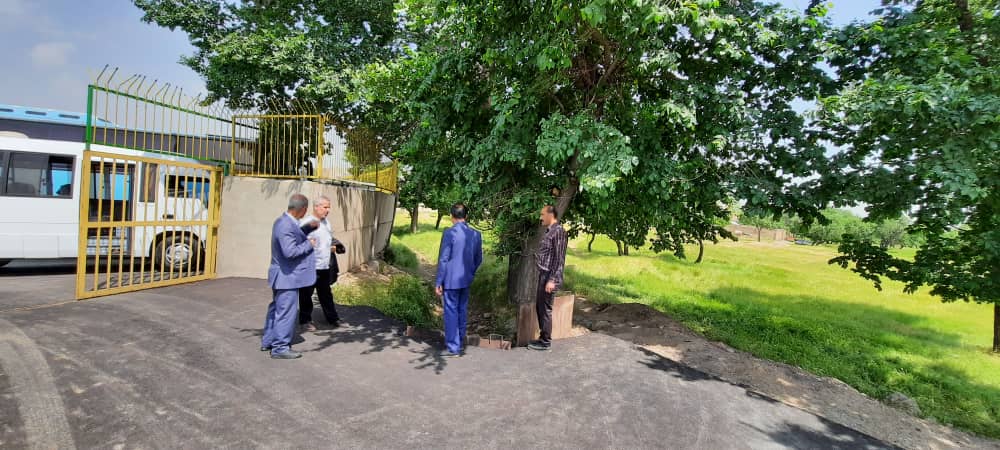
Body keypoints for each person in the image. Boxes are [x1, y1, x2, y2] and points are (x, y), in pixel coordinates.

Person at [261, 194, 317, 360]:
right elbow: (290, 252)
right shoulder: (285, 225)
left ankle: (269, 341)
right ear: (303, 209)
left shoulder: (283, 221)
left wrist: (308, 229)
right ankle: (280, 348)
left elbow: (294, 235)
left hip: (282, 276)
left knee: (277, 310)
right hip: (286, 277)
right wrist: (309, 244)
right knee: (285, 313)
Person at [434, 203, 483, 357]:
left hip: (450, 280)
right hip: (466, 279)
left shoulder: (449, 233)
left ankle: (453, 347)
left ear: (451, 216)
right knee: (462, 310)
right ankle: (460, 342)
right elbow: (478, 259)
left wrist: (438, 281)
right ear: (466, 216)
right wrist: (470, 272)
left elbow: (444, 259)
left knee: (451, 312)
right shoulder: (476, 234)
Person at [298, 195, 344, 331]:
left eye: (329, 207)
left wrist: (334, 247)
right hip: (310, 266)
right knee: (306, 295)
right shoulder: (307, 223)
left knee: (326, 294)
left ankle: (333, 318)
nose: (328, 210)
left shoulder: (326, 223)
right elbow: (299, 243)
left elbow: (326, 240)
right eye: (325, 207)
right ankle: (305, 320)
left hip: (324, 266)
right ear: (316, 207)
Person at [528, 204, 567, 351]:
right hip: (544, 275)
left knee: (545, 309)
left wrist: (552, 280)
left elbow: (559, 259)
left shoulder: (558, 231)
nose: (540, 217)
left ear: (551, 215)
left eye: (542, 214)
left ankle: (545, 342)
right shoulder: (549, 231)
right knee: (540, 308)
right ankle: (542, 338)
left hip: (549, 277)